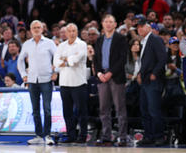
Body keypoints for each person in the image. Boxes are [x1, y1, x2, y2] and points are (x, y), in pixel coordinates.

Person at [18, 20, 57, 145]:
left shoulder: (49, 43)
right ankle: (38, 135)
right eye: (34, 27)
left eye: (38, 27)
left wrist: (55, 71)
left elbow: (57, 57)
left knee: (47, 109)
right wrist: (24, 75)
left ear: (42, 29)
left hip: (46, 79)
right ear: (30, 30)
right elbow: (20, 61)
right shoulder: (27, 44)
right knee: (35, 110)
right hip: (32, 80)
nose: (36, 29)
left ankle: (48, 135)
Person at [93, 15, 129, 146]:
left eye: (111, 22)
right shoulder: (99, 40)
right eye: (106, 22)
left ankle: (123, 137)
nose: (108, 24)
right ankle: (106, 135)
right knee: (104, 108)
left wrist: (110, 72)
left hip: (116, 77)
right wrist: (98, 73)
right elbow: (95, 59)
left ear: (115, 24)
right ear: (102, 24)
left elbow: (122, 59)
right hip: (102, 77)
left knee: (120, 107)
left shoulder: (121, 39)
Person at [54, 23, 88, 144]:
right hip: (64, 83)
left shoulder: (82, 44)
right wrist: (68, 60)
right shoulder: (61, 46)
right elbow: (56, 62)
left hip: (78, 83)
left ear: (77, 32)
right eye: (70, 31)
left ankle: (83, 135)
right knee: (67, 112)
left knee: (81, 111)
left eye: (74, 30)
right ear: (66, 33)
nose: (72, 33)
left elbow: (75, 60)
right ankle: (70, 135)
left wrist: (65, 60)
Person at [135, 17, 167, 146]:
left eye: (142, 26)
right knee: (145, 109)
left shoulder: (155, 39)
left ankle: (159, 136)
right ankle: (148, 136)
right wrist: (139, 74)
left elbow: (163, 58)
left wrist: (154, 73)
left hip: (153, 81)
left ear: (149, 27)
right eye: (138, 27)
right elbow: (145, 62)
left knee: (154, 109)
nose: (140, 29)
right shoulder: (144, 42)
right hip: (145, 81)